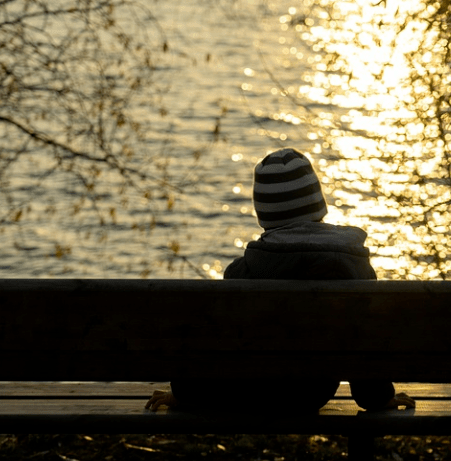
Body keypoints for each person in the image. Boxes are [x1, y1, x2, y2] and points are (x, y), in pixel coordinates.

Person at [145, 148, 414, 412]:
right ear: (319, 203)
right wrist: (378, 398)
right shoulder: (354, 264)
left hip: (247, 393)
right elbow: (363, 338)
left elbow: (218, 341)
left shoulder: (243, 272)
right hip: (311, 395)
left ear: (264, 214)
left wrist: (183, 392)